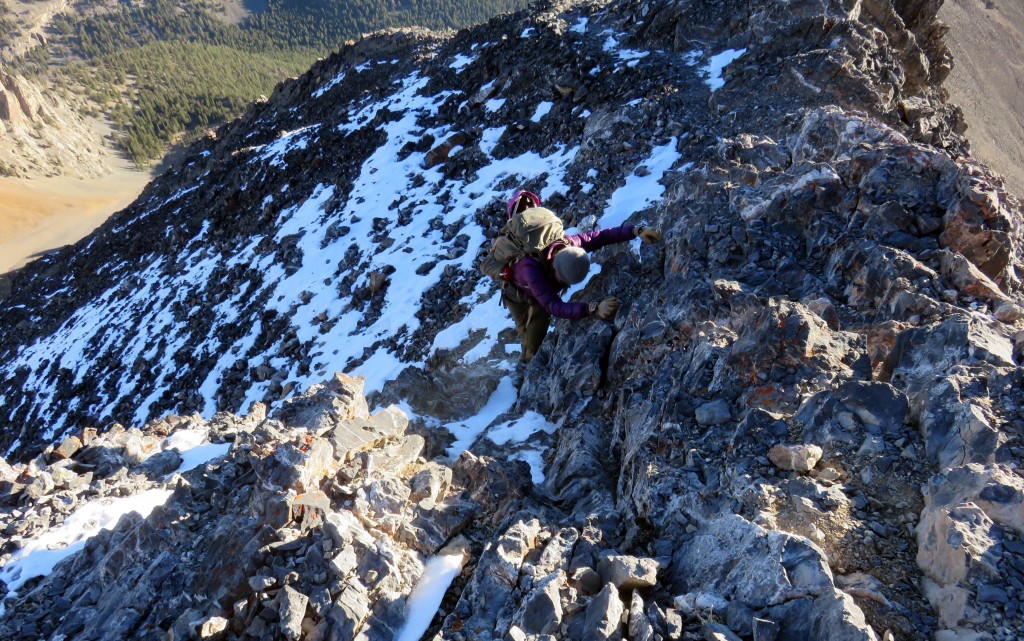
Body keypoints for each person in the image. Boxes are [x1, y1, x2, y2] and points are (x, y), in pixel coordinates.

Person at [485, 189, 663, 362]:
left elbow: (601, 237)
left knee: (535, 328)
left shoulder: (569, 244)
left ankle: (527, 356)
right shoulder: (530, 268)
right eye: (562, 280)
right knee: (531, 333)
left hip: (536, 286)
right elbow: (554, 306)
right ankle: (525, 364)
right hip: (516, 293)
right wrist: (592, 309)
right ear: (553, 268)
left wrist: (636, 230)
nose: (564, 284)